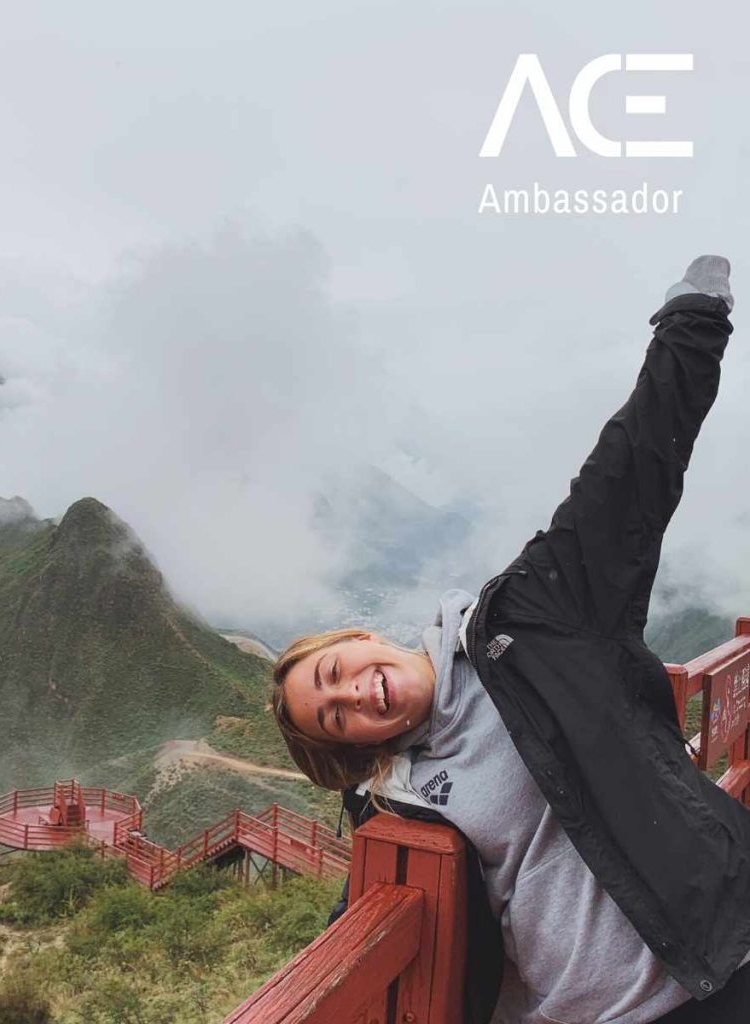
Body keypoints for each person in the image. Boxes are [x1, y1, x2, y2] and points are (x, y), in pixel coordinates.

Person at [272, 257, 750, 1024]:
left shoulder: (527, 622)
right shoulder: (395, 795)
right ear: (354, 745)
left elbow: (626, 481)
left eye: (335, 671)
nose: (352, 694)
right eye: (334, 715)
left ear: (363, 638)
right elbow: (373, 904)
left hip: (716, 968)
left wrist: (693, 320)